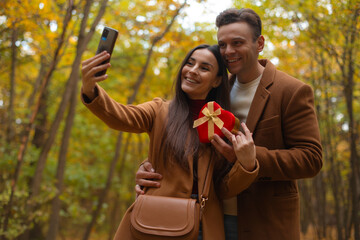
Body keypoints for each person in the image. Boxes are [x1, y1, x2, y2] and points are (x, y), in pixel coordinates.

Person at [135, 8, 323, 240]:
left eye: (237, 43)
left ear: (260, 43)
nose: (228, 51)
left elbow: (311, 159)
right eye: (222, 44)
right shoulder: (213, 89)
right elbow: (192, 143)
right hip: (209, 218)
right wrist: (152, 167)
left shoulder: (292, 91)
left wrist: (249, 159)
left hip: (264, 221)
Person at [81, 44, 259, 240]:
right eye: (190, 63)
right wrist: (91, 89)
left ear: (217, 81)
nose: (192, 70)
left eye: (204, 67)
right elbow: (121, 116)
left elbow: (226, 188)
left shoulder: (223, 123)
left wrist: (247, 164)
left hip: (201, 226)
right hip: (153, 221)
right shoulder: (160, 110)